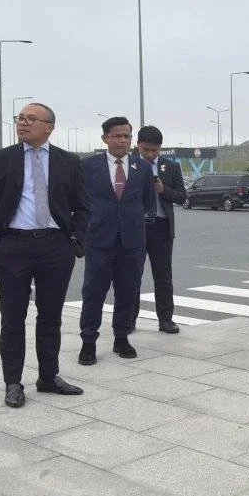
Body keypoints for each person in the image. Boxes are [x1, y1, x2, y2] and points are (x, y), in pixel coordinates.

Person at [0, 103, 88, 408]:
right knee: (12, 318)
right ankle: (13, 382)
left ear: (49, 127)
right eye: (20, 118)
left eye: (31, 119)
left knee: (50, 317)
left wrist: (74, 239)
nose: (22, 123)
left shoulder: (68, 162)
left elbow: (83, 207)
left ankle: (48, 377)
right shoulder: (2, 159)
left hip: (55, 248)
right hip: (12, 247)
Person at [78, 116, 155, 363]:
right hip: (99, 240)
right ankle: (88, 341)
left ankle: (121, 338)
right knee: (93, 292)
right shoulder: (88, 166)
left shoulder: (141, 167)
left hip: (132, 241)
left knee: (127, 291)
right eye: (117, 136)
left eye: (127, 136)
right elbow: (78, 202)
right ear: (105, 138)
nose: (122, 140)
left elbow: (147, 203)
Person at [130, 125, 185, 335]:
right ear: (138, 146)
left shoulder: (170, 167)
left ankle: (166, 319)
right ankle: (129, 319)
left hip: (161, 227)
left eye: (155, 150)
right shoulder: (129, 165)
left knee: (163, 276)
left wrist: (164, 190)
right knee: (132, 275)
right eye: (146, 150)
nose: (151, 155)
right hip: (136, 227)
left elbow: (182, 196)